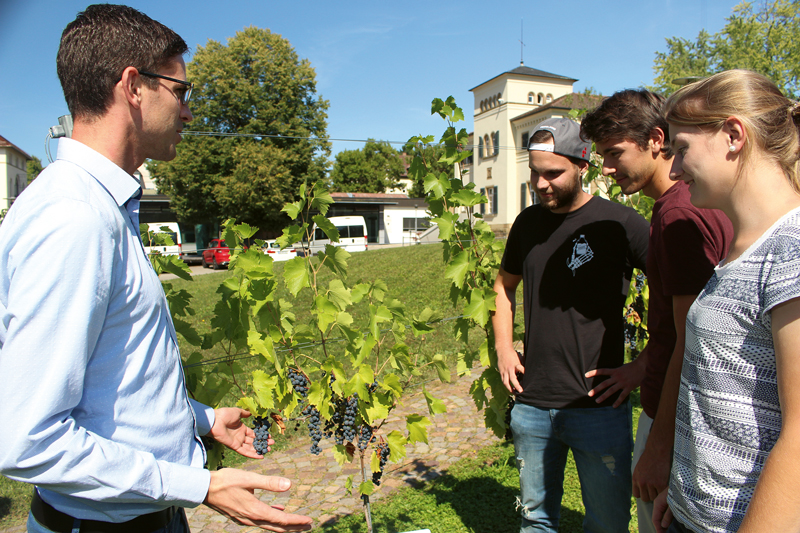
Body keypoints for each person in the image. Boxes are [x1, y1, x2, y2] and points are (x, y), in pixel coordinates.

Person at [0, 5, 312, 533]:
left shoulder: (99, 206)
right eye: (181, 92)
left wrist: (202, 419)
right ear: (133, 87)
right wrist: (201, 485)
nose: (189, 112)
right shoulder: (74, 219)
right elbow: (26, 438)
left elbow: (114, 379)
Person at [652, 69, 800, 533]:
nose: (673, 170)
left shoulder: (792, 248)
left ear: (734, 135)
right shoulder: (743, 247)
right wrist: (684, 494)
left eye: (681, 150)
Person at [580, 90, 732, 533]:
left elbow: (692, 339)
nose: (607, 169)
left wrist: (659, 444)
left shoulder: (678, 216)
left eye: (614, 154)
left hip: (676, 417)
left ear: (655, 140)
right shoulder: (688, 204)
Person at [493, 116, 649, 532]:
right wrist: (504, 349)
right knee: (536, 521)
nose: (541, 184)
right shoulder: (527, 224)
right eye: (534, 173)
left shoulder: (621, 224)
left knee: (608, 523)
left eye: (553, 173)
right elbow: (502, 288)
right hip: (532, 404)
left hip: (598, 407)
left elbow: (680, 298)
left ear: (582, 165)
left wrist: (642, 366)